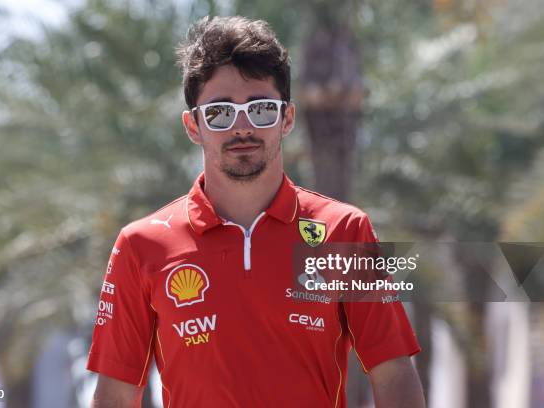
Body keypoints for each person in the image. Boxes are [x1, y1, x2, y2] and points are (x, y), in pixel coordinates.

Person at [87, 15, 425, 408]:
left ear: (287, 118)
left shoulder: (344, 229)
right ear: (193, 126)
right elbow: (115, 394)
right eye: (220, 112)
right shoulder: (141, 245)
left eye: (261, 109)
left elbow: (394, 373)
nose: (242, 127)